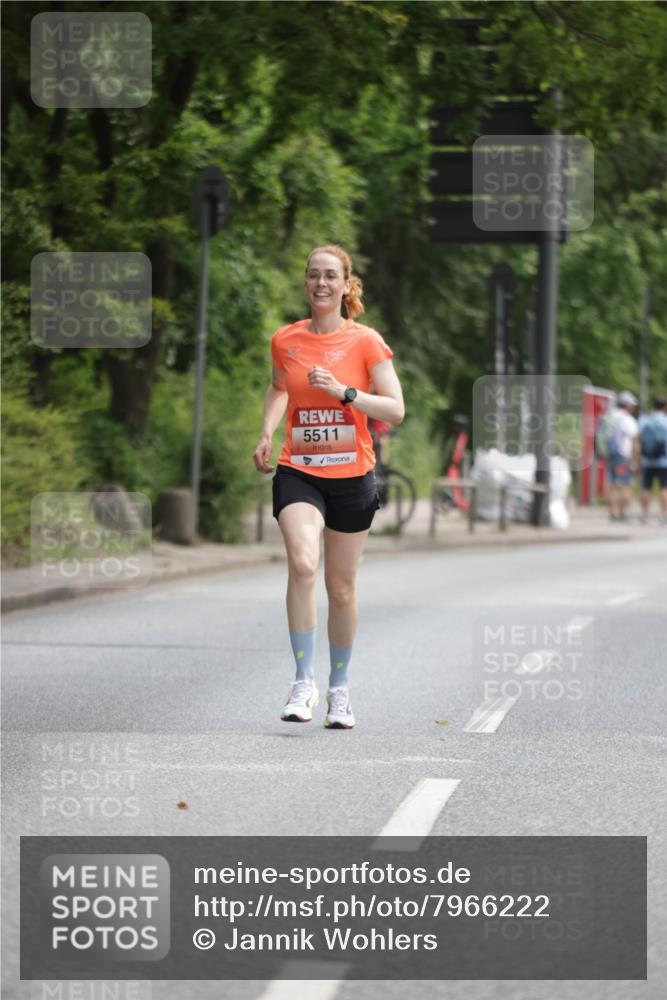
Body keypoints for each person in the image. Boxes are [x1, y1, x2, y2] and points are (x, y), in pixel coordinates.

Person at [252, 245, 404, 729]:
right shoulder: (286, 340)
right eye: (313, 275)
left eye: (330, 276)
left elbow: (395, 409)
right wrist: (266, 432)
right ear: (306, 283)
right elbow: (279, 388)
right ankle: (303, 681)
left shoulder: (366, 343)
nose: (321, 283)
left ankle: (339, 690)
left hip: (352, 476)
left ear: (345, 285)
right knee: (302, 563)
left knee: (340, 588)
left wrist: (344, 393)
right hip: (299, 469)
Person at [596, 390, 639, 522]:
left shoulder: (608, 416)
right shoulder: (627, 419)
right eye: (632, 404)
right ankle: (620, 513)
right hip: (622, 456)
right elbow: (634, 442)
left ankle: (612, 513)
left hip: (609, 454)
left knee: (611, 484)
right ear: (627, 405)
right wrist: (635, 461)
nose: (633, 407)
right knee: (624, 485)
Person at [638, 396, 667, 524]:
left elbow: (638, 438)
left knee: (646, 487)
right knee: (664, 488)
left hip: (647, 460)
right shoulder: (665, 421)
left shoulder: (645, 420)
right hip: (664, 461)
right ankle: (664, 515)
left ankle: (644, 515)